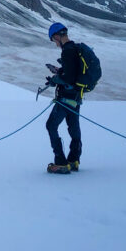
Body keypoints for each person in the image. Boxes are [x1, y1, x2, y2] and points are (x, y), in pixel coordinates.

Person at [44, 22, 84, 173]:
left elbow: (68, 78)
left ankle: (60, 162)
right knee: (73, 128)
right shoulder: (74, 48)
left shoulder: (67, 51)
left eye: (53, 40)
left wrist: (55, 79)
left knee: (51, 125)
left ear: (56, 36)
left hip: (66, 98)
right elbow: (72, 73)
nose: (54, 43)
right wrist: (59, 71)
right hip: (76, 97)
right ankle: (74, 160)